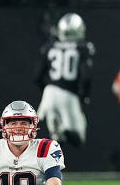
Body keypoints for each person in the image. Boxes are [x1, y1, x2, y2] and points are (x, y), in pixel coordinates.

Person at [35, 13, 94, 148]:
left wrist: (45, 92)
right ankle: (62, 131)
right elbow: (86, 76)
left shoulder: (50, 46)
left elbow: (37, 76)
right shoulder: (83, 47)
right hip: (68, 94)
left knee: (55, 139)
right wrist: (84, 96)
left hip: (49, 93)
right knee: (78, 138)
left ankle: (57, 139)